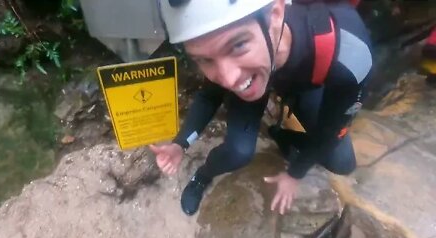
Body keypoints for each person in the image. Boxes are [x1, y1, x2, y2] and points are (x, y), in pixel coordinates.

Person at [150, 0, 372, 216]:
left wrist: (295, 174)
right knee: (238, 152)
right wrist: (180, 144)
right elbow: (209, 97)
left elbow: (333, 129)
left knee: (342, 163)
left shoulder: (349, 54)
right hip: (267, 79)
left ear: (276, 14)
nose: (228, 79)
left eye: (238, 45)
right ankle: (202, 176)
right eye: (205, 60)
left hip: (304, 81)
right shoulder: (228, 57)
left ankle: (283, 131)